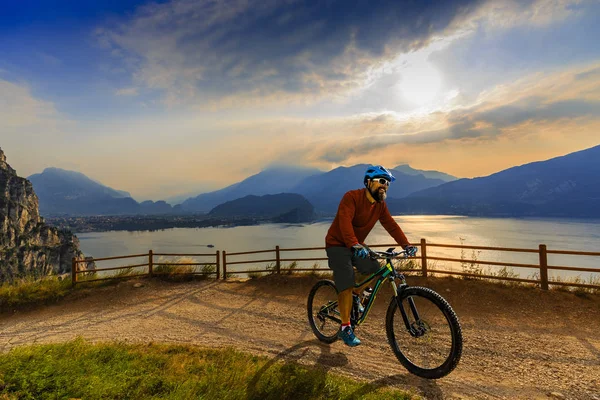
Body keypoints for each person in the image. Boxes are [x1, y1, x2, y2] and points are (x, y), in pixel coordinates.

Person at [325, 165, 418, 347]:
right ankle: (345, 329)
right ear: (368, 182)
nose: (385, 186)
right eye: (381, 181)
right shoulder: (351, 197)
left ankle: (356, 295)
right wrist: (354, 244)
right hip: (338, 244)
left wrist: (406, 245)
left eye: (388, 183)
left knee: (375, 268)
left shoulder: (380, 205)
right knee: (346, 282)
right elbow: (344, 223)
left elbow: (391, 225)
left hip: (356, 244)